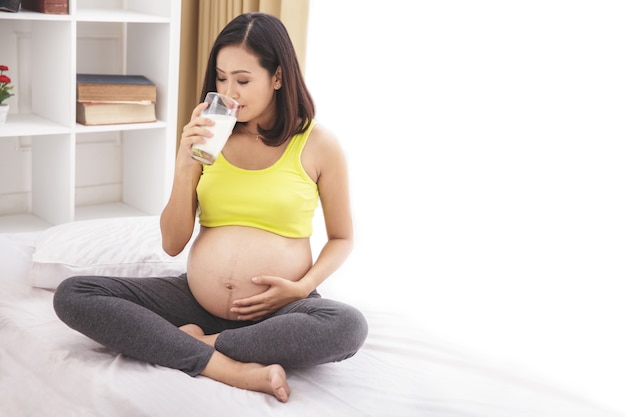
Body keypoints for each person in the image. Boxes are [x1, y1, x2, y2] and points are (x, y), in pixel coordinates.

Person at [53, 12, 368, 403]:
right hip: (195, 300)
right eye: (221, 78)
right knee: (75, 294)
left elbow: (342, 237)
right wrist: (186, 165)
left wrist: (302, 287)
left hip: (277, 310)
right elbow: (172, 243)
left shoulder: (318, 144)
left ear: (278, 77)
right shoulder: (207, 137)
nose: (229, 92)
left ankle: (202, 343)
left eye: (243, 80)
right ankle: (227, 366)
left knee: (347, 326)